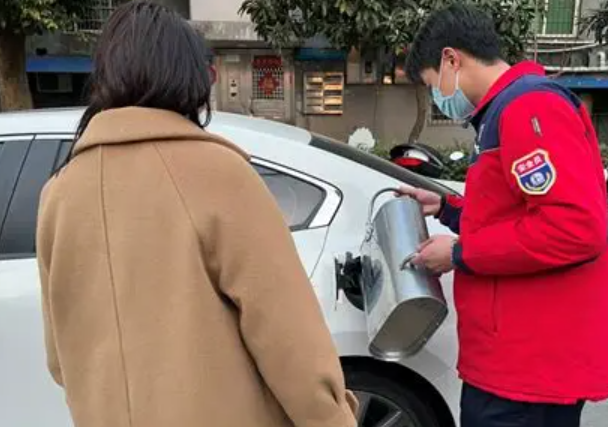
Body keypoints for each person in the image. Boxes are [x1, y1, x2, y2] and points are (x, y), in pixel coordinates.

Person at [36, 2, 358, 427]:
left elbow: (60, 358)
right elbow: (290, 340)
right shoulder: (218, 174)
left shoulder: (59, 193)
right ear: (190, 78)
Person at [400, 4, 608, 427]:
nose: (439, 98)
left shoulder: (530, 108)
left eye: (433, 85)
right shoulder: (503, 111)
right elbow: (511, 210)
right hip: (511, 360)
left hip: (527, 368)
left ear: (451, 59)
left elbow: (574, 228)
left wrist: (458, 253)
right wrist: (446, 208)